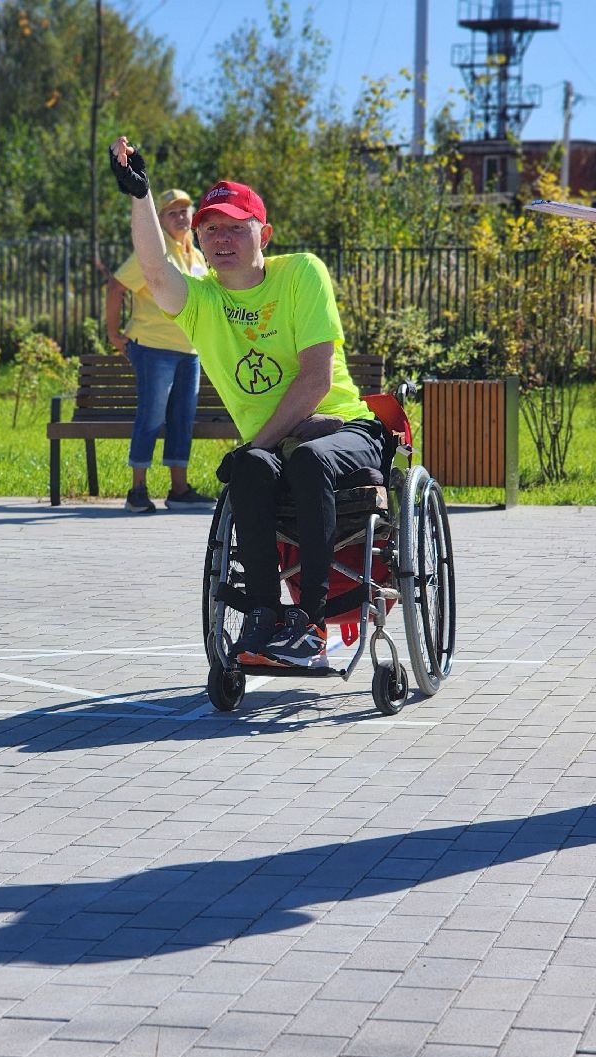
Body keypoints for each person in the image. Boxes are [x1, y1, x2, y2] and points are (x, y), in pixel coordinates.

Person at [109, 135, 385, 669]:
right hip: (275, 448)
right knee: (253, 470)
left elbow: (314, 383)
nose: (222, 237)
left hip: (344, 430)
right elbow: (156, 274)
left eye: (237, 226)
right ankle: (262, 615)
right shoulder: (203, 301)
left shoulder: (301, 272)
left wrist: (255, 444)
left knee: (290, 457)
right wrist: (139, 195)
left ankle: (310, 621)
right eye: (210, 227)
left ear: (265, 234)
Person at [104, 187, 214, 513]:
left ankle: (179, 490)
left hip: (189, 350)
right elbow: (115, 287)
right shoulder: (154, 250)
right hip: (153, 347)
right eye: (171, 212)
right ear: (160, 219)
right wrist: (113, 333)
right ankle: (137, 490)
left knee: (182, 418)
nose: (180, 217)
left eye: (184, 211)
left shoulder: (194, 254)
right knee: (151, 416)